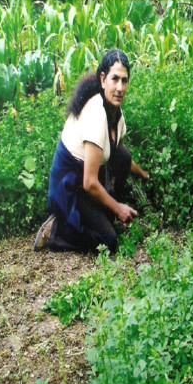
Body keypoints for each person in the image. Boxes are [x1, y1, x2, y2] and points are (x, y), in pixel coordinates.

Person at [34, 49, 149, 254]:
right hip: (71, 187)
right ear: (103, 79)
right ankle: (57, 231)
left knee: (123, 156)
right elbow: (89, 182)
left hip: (89, 181)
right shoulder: (96, 112)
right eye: (115, 79)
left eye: (125, 80)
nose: (120, 87)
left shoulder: (116, 113)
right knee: (108, 241)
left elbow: (119, 151)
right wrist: (118, 207)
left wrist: (143, 174)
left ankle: (103, 216)